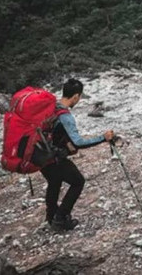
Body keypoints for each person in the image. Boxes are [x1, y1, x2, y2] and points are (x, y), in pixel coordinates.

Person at [42, 78, 114, 232]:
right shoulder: (65, 116)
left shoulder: (50, 107)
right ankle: (60, 219)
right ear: (75, 96)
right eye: (79, 97)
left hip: (40, 155)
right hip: (55, 157)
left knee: (54, 182)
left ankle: (51, 217)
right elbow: (79, 142)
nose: (78, 100)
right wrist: (103, 138)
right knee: (78, 181)